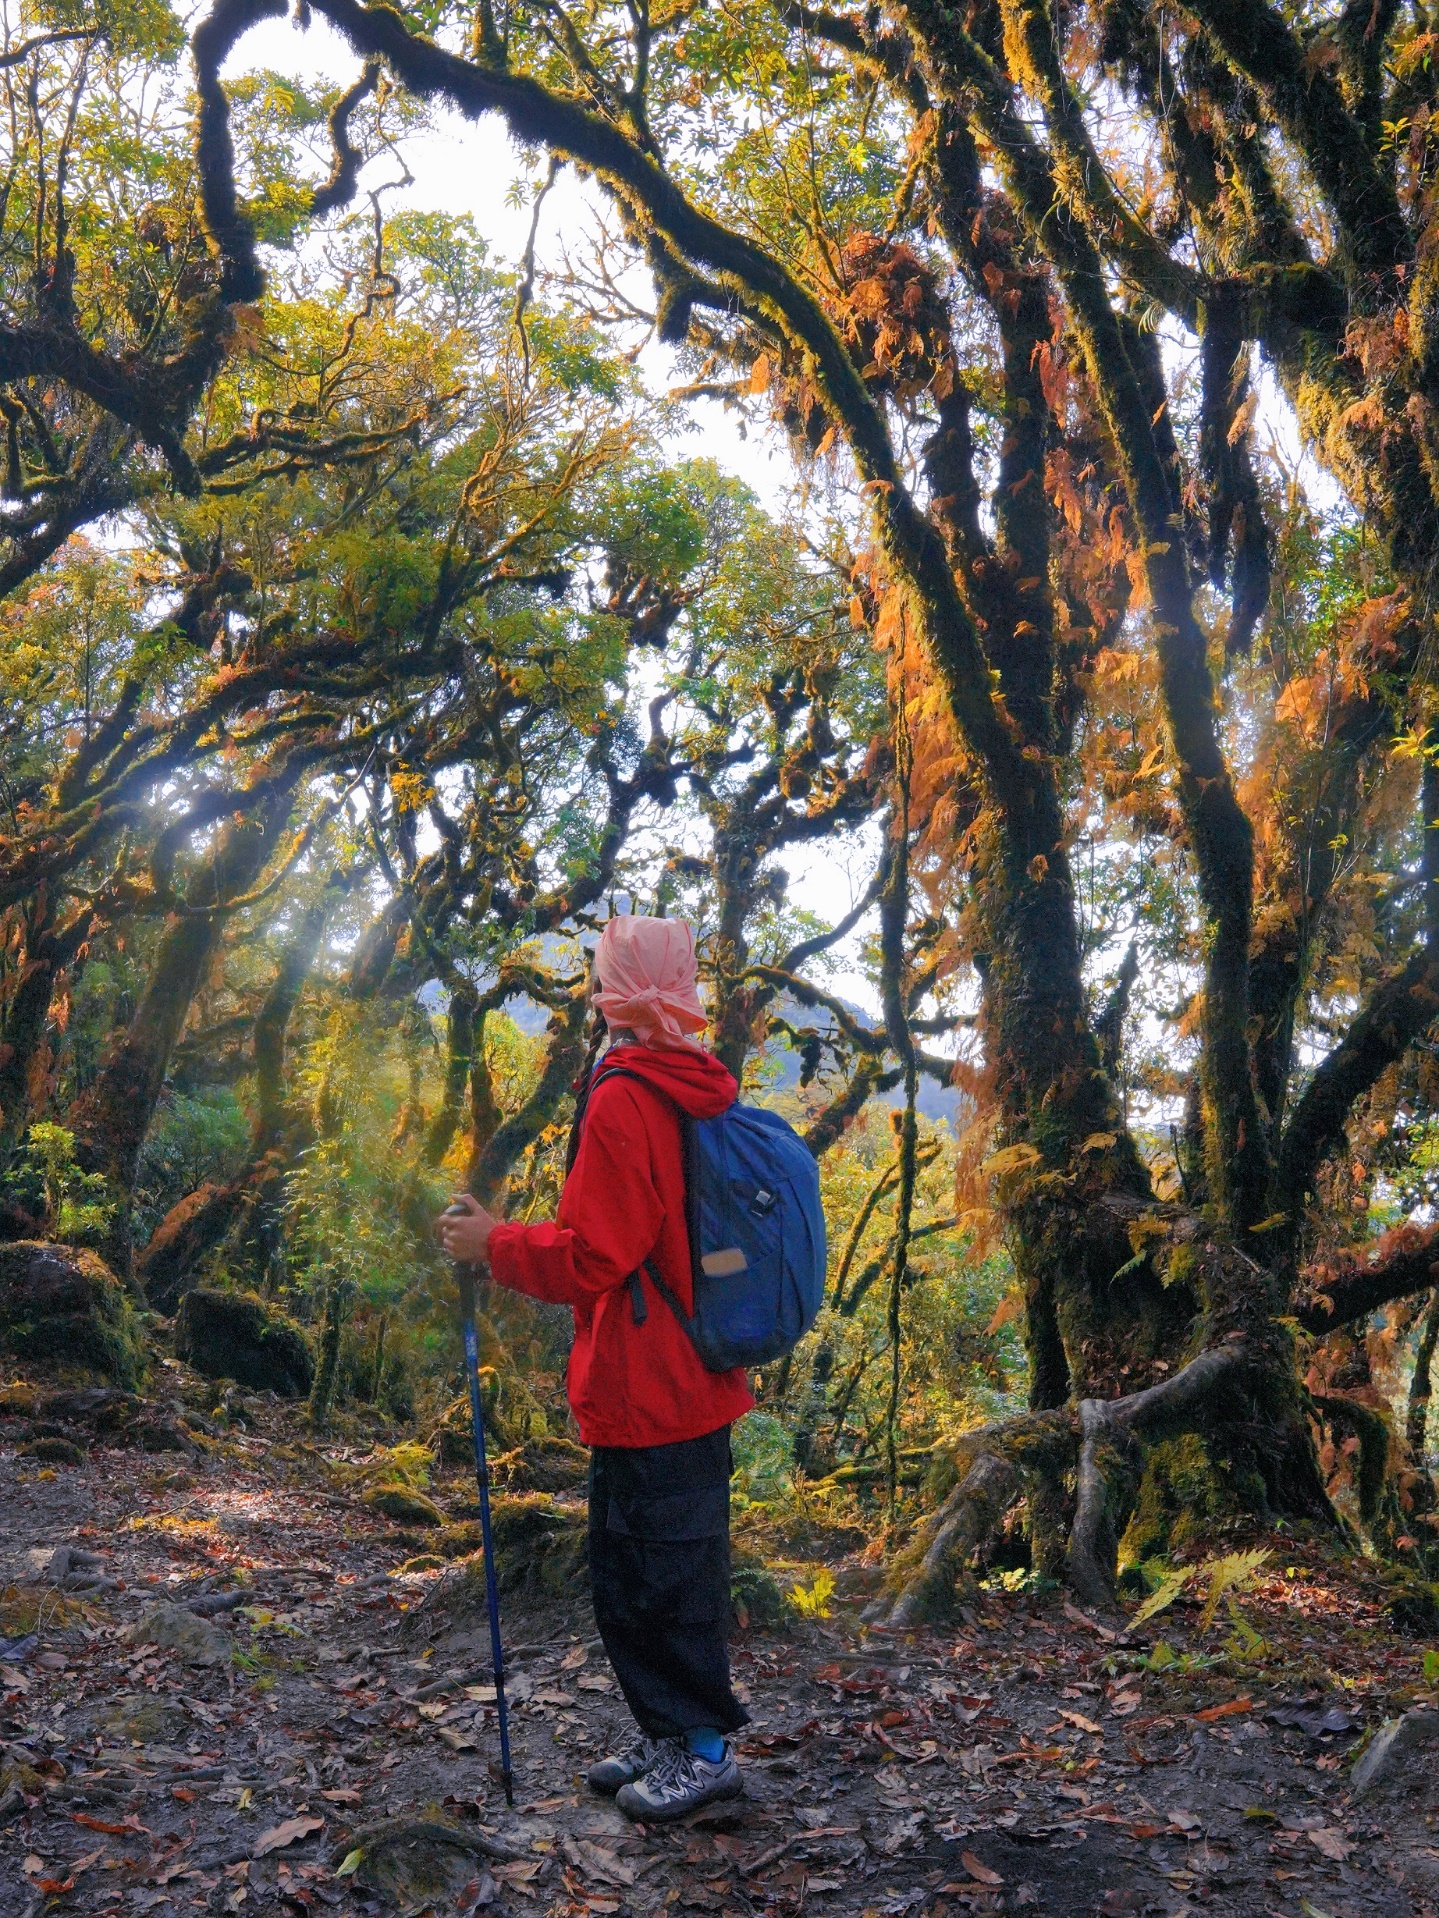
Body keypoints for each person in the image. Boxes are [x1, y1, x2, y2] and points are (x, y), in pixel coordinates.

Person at [437, 914, 753, 1822]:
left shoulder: (625, 1094)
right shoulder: (687, 1081)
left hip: (656, 1383)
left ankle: (704, 1753)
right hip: (675, 1375)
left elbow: (593, 1256)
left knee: (664, 1579)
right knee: (636, 1573)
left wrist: (493, 1243)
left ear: (605, 989)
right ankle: (668, 1735)